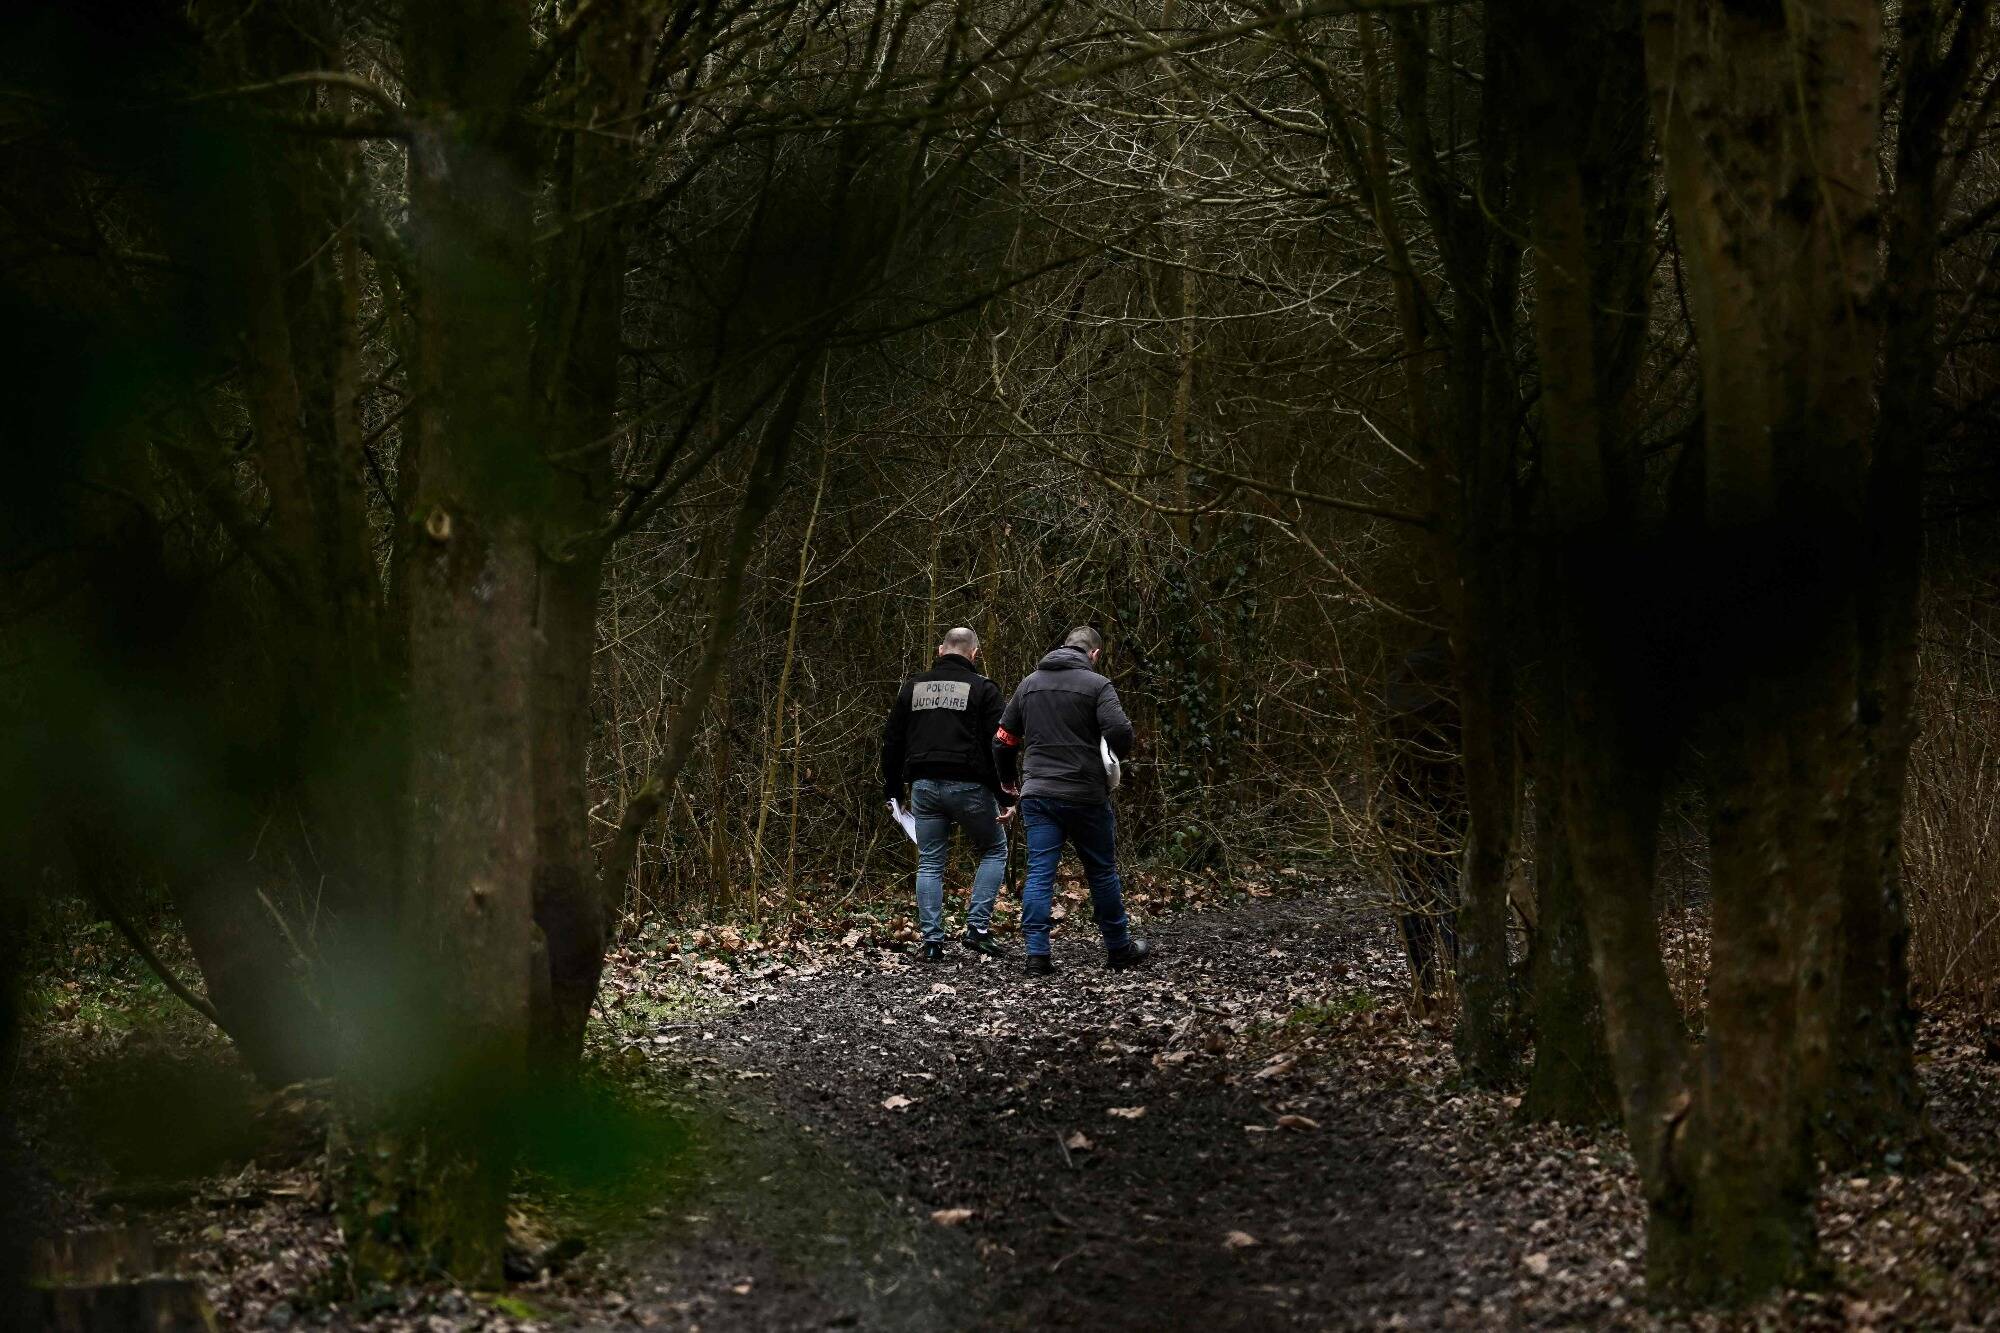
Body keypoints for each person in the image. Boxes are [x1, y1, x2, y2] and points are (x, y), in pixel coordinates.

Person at [993, 626, 1151, 975]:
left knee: (1039, 872)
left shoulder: (1028, 685)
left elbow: (1002, 740)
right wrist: (1111, 758)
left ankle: (1037, 956)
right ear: (1094, 654)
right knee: (1102, 872)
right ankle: (1118, 949)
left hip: (1038, 794)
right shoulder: (1098, 685)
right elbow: (1120, 730)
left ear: (1064, 647)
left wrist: (1008, 782)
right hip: (1085, 794)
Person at [881, 626, 1011, 963]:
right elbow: (999, 745)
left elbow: (892, 741)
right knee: (994, 849)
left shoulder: (912, 687)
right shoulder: (984, 689)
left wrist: (893, 790)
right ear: (974, 653)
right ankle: (977, 928)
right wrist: (1006, 795)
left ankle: (932, 942)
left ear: (940, 651)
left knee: (930, 862)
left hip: (923, 786)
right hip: (970, 786)